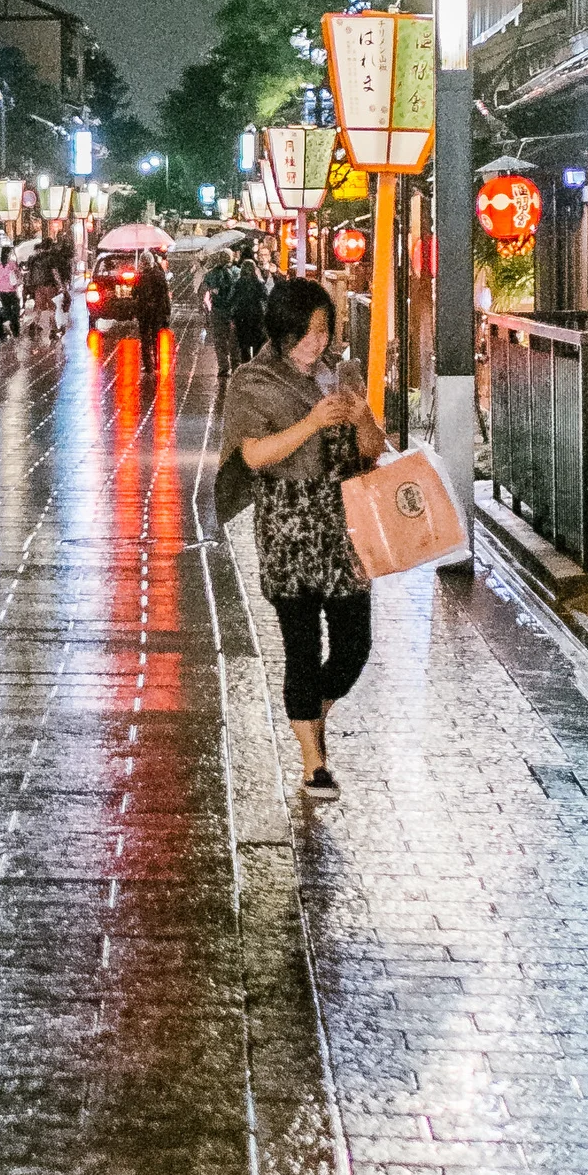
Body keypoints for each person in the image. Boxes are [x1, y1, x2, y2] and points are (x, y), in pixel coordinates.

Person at [217, 274, 388, 798]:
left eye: (323, 331)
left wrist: (362, 418)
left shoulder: (342, 375)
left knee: (355, 647)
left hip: (343, 526)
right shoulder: (252, 380)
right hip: (288, 528)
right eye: (306, 333)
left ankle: (313, 711)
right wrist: (313, 422)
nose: (316, 343)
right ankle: (314, 762)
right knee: (301, 649)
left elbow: (372, 449)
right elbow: (251, 455)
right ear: (282, 330)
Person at [226, 245, 270, 363]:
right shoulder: (259, 283)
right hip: (256, 315)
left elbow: (231, 299)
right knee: (257, 342)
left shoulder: (238, 283)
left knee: (243, 344)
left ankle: (245, 363)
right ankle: (255, 363)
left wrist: (231, 315)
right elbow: (265, 298)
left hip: (241, 316)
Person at [202, 250, 239, 387]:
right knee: (234, 340)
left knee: (219, 339)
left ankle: (223, 367)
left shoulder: (211, 274)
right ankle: (236, 365)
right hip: (232, 311)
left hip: (217, 311)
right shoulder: (236, 272)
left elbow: (205, 289)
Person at [131, 250, 171, 372]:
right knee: (155, 337)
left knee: (145, 338)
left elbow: (134, 294)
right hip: (157, 311)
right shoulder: (159, 275)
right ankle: (157, 363)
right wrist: (167, 311)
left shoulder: (140, 276)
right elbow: (165, 295)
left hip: (144, 312)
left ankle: (148, 365)